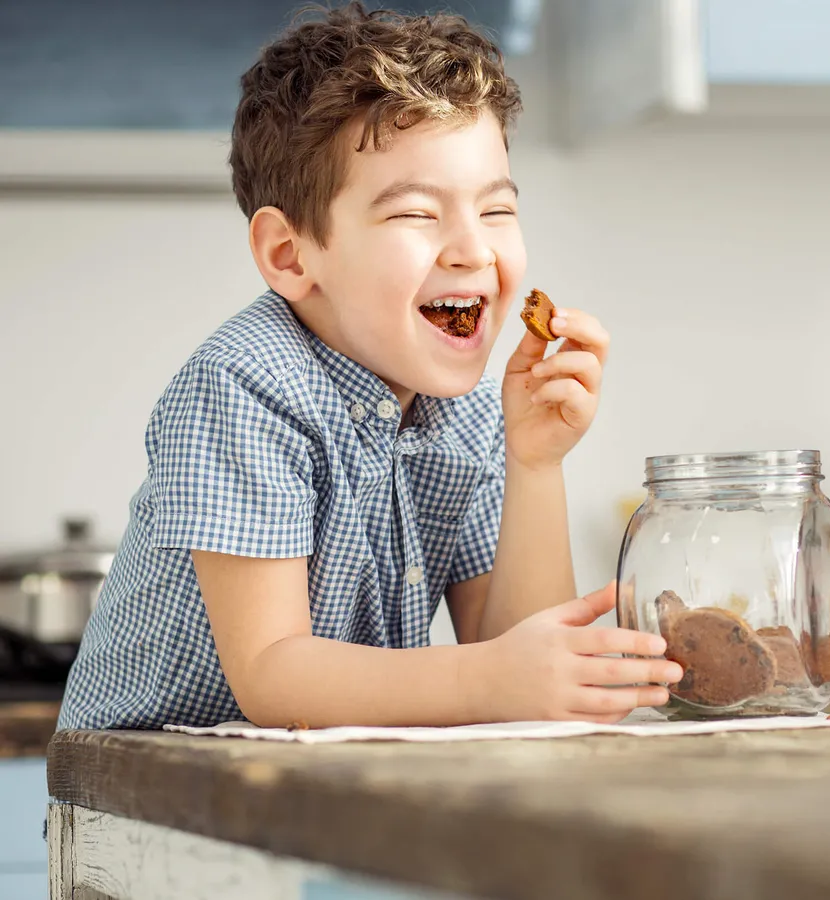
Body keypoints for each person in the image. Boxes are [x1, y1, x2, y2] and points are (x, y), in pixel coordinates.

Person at [59, 3, 680, 731]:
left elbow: (524, 667)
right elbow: (273, 675)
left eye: (496, 211)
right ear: (290, 256)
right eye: (417, 214)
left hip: (313, 789)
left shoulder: (468, 412)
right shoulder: (247, 385)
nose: (473, 251)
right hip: (141, 800)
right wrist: (490, 678)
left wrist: (535, 463)